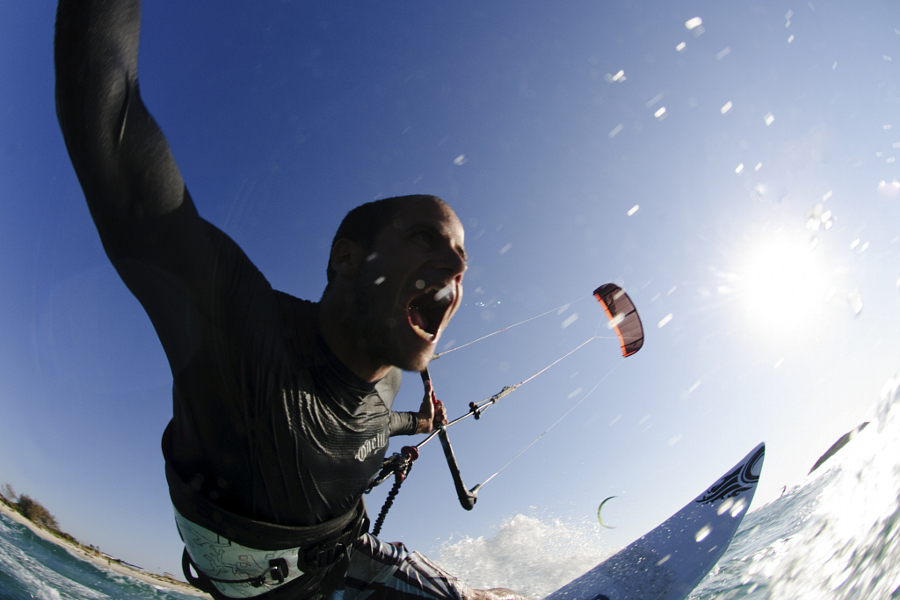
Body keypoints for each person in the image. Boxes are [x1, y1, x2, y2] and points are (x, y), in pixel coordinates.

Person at [54, 2, 527, 599]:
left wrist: (420, 425)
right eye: (425, 238)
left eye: (462, 256)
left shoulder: (390, 388)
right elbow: (108, 118)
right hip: (259, 579)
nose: (459, 266)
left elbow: (376, 425)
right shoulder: (233, 325)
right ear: (347, 259)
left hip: (346, 556)